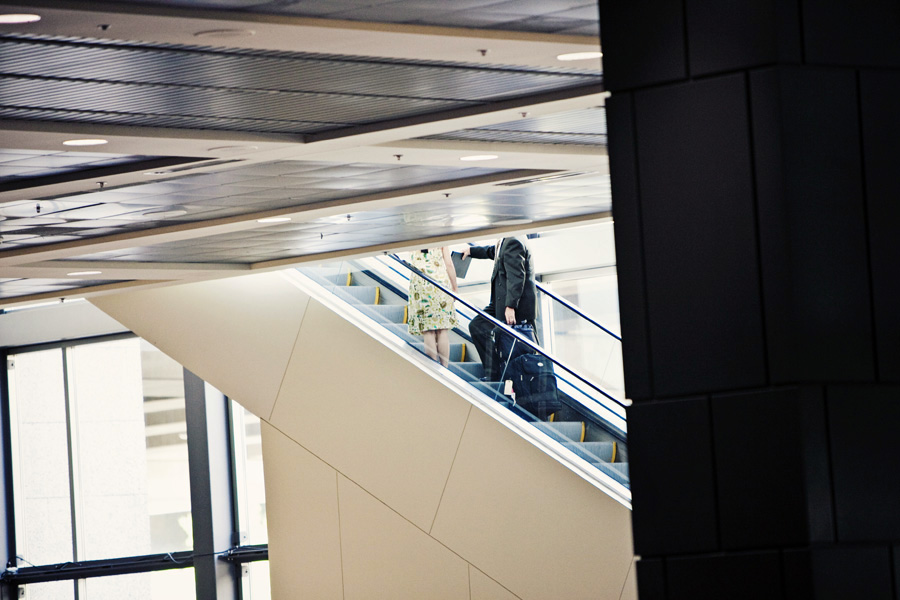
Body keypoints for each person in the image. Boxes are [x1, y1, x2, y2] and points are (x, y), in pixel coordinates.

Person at [461, 237, 537, 380]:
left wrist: (510, 306)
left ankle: (501, 377)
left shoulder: (514, 240)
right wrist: (472, 251)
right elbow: (494, 251)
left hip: (513, 305)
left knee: (517, 346)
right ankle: (494, 374)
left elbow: (517, 277)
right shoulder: (507, 238)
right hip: (499, 302)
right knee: (478, 326)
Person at [407, 247, 459, 367]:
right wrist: (454, 287)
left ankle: (433, 368)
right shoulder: (439, 234)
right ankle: (444, 367)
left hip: (421, 283)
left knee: (428, 330)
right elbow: (449, 264)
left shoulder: (412, 235)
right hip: (440, 283)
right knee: (442, 329)